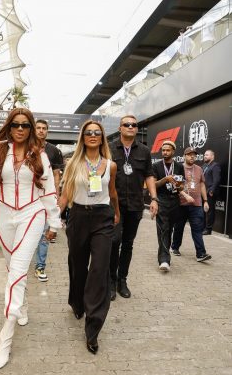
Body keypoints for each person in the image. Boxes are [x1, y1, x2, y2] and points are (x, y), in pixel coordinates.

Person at [0, 107, 62, 369]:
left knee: (17, 272)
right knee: (11, 267)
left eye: (26, 125)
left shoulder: (40, 155)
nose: (21, 129)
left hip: (32, 214)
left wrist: (54, 222)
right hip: (3, 215)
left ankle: (6, 336)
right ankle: (22, 304)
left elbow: (48, 191)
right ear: (9, 127)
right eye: (16, 125)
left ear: (31, 127)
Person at [60, 120, 119, 354]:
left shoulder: (111, 165)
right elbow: (66, 194)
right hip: (78, 217)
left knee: (99, 269)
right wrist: (53, 218)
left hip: (103, 218)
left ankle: (93, 328)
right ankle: (77, 302)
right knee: (78, 265)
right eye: (88, 132)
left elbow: (112, 192)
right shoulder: (73, 163)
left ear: (102, 137)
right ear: (83, 137)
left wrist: (116, 213)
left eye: (97, 132)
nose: (93, 135)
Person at [109, 115, 158, 300]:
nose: (130, 127)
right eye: (126, 124)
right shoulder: (109, 148)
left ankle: (122, 280)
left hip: (135, 205)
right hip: (114, 205)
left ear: (137, 129)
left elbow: (149, 175)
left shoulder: (144, 151)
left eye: (134, 125)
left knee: (128, 244)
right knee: (114, 242)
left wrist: (154, 198)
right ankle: (111, 281)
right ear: (120, 128)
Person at [153, 141, 194, 272]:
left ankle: (165, 254)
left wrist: (178, 185)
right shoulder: (156, 166)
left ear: (173, 151)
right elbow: (153, 184)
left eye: (167, 150)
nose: (165, 152)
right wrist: (166, 179)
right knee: (163, 229)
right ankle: (164, 260)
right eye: (163, 150)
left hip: (175, 200)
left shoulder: (179, 166)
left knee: (169, 229)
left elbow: (181, 185)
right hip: (161, 200)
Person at [34, 119, 64, 281]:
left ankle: (40, 266)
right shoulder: (26, 148)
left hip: (47, 199)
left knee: (44, 234)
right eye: (38, 128)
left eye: (43, 128)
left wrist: (57, 196)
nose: (40, 131)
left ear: (47, 131)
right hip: (28, 199)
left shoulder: (53, 151)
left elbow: (56, 176)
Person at [171, 147, 211, 262]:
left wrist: (205, 201)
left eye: (194, 155)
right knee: (179, 227)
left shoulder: (199, 169)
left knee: (197, 229)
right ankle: (175, 247)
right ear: (184, 156)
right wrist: (185, 196)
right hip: (181, 204)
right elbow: (176, 185)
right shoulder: (178, 168)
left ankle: (201, 254)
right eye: (189, 155)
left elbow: (202, 184)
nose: (192, 156)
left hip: (196, 204)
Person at [202, 150, 221, 235]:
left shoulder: (215, 166)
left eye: (207, 155)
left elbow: (216, 179)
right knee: (202, 211)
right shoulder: (204, 166)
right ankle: (202, 227)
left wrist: (212, 190)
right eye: (204, 155)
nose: (204, 156)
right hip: (203, 192)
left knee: (209, 211)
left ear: (212, 156)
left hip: (210, 192)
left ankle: (208, 229)